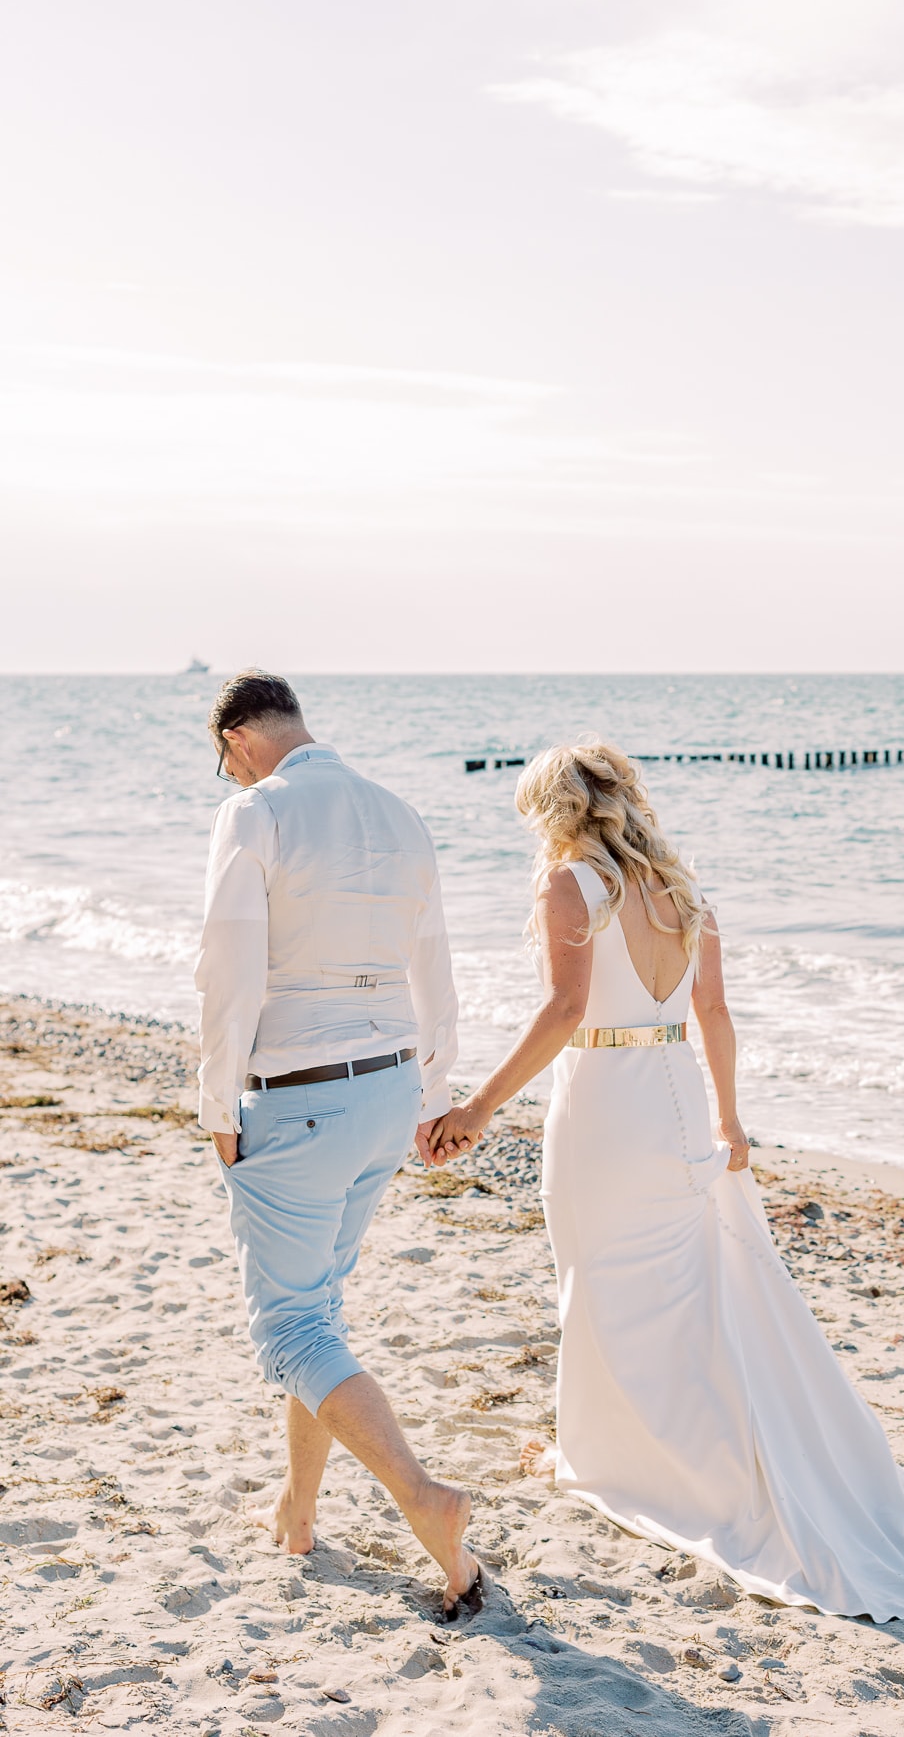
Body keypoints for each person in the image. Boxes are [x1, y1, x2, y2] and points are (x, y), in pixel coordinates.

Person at [429, 738, 904, 1622]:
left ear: (553, 809)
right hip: (679, 1092)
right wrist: (729, 1119)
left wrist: (483, 1104)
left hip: (608, 1100)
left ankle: (618, 1459)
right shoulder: (683, 889)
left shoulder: (568, 882)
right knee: (687, 1291)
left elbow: (566, 1009)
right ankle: (629, 1452)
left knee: (601, 1281)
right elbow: (713, 1014)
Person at [195, 669, 480, 1619]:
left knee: (292, 1329)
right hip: (389, 1088)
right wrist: (435, 1093)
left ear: (237, 739)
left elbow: (225, 969)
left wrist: (217, 1106)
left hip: (301, 1096)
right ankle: (299, 1507)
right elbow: (435, 964)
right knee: (318, 1306)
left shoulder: (257, 813)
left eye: (221, 759)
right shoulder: (399, 811)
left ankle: (422, 1497)